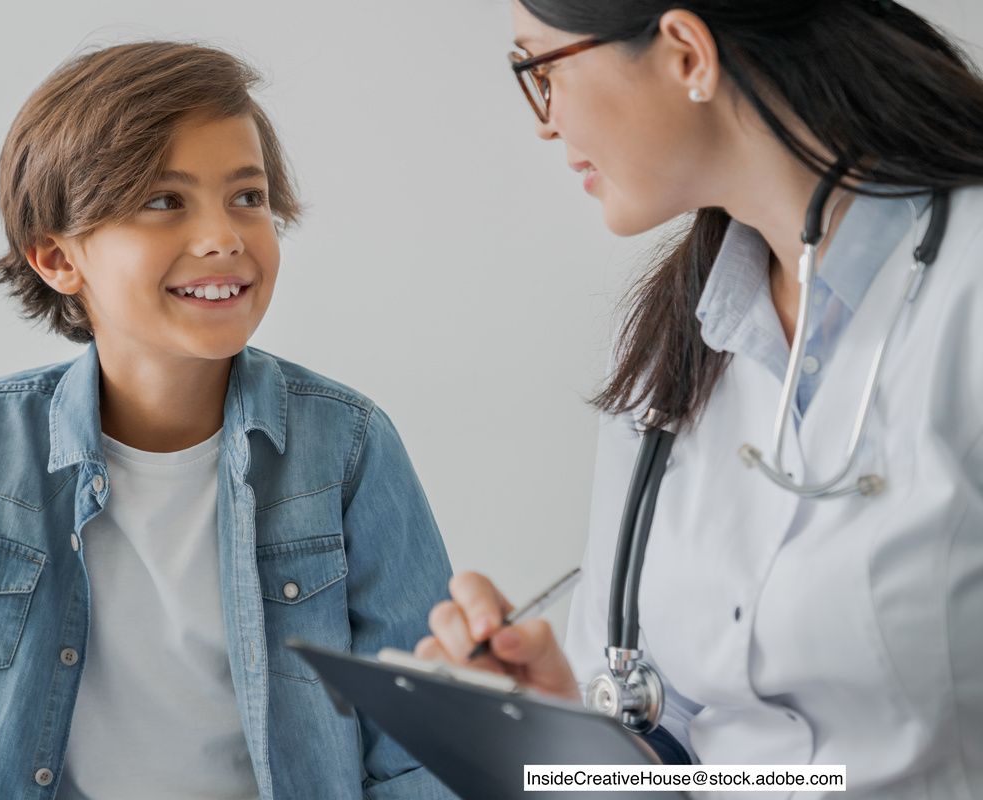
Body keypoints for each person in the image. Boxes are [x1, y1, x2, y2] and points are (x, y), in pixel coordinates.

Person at [0, 41, 455, 800]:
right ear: (56, 257)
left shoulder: (348, 445)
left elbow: (418, 739)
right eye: (165, 201)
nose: (224, 237)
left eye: (248, 196)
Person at [418, 1, 983, 796]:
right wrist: (564, 728)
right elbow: (690, 750)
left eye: (542, 68)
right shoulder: (668, 354)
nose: (545, 123)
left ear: (686, 53)